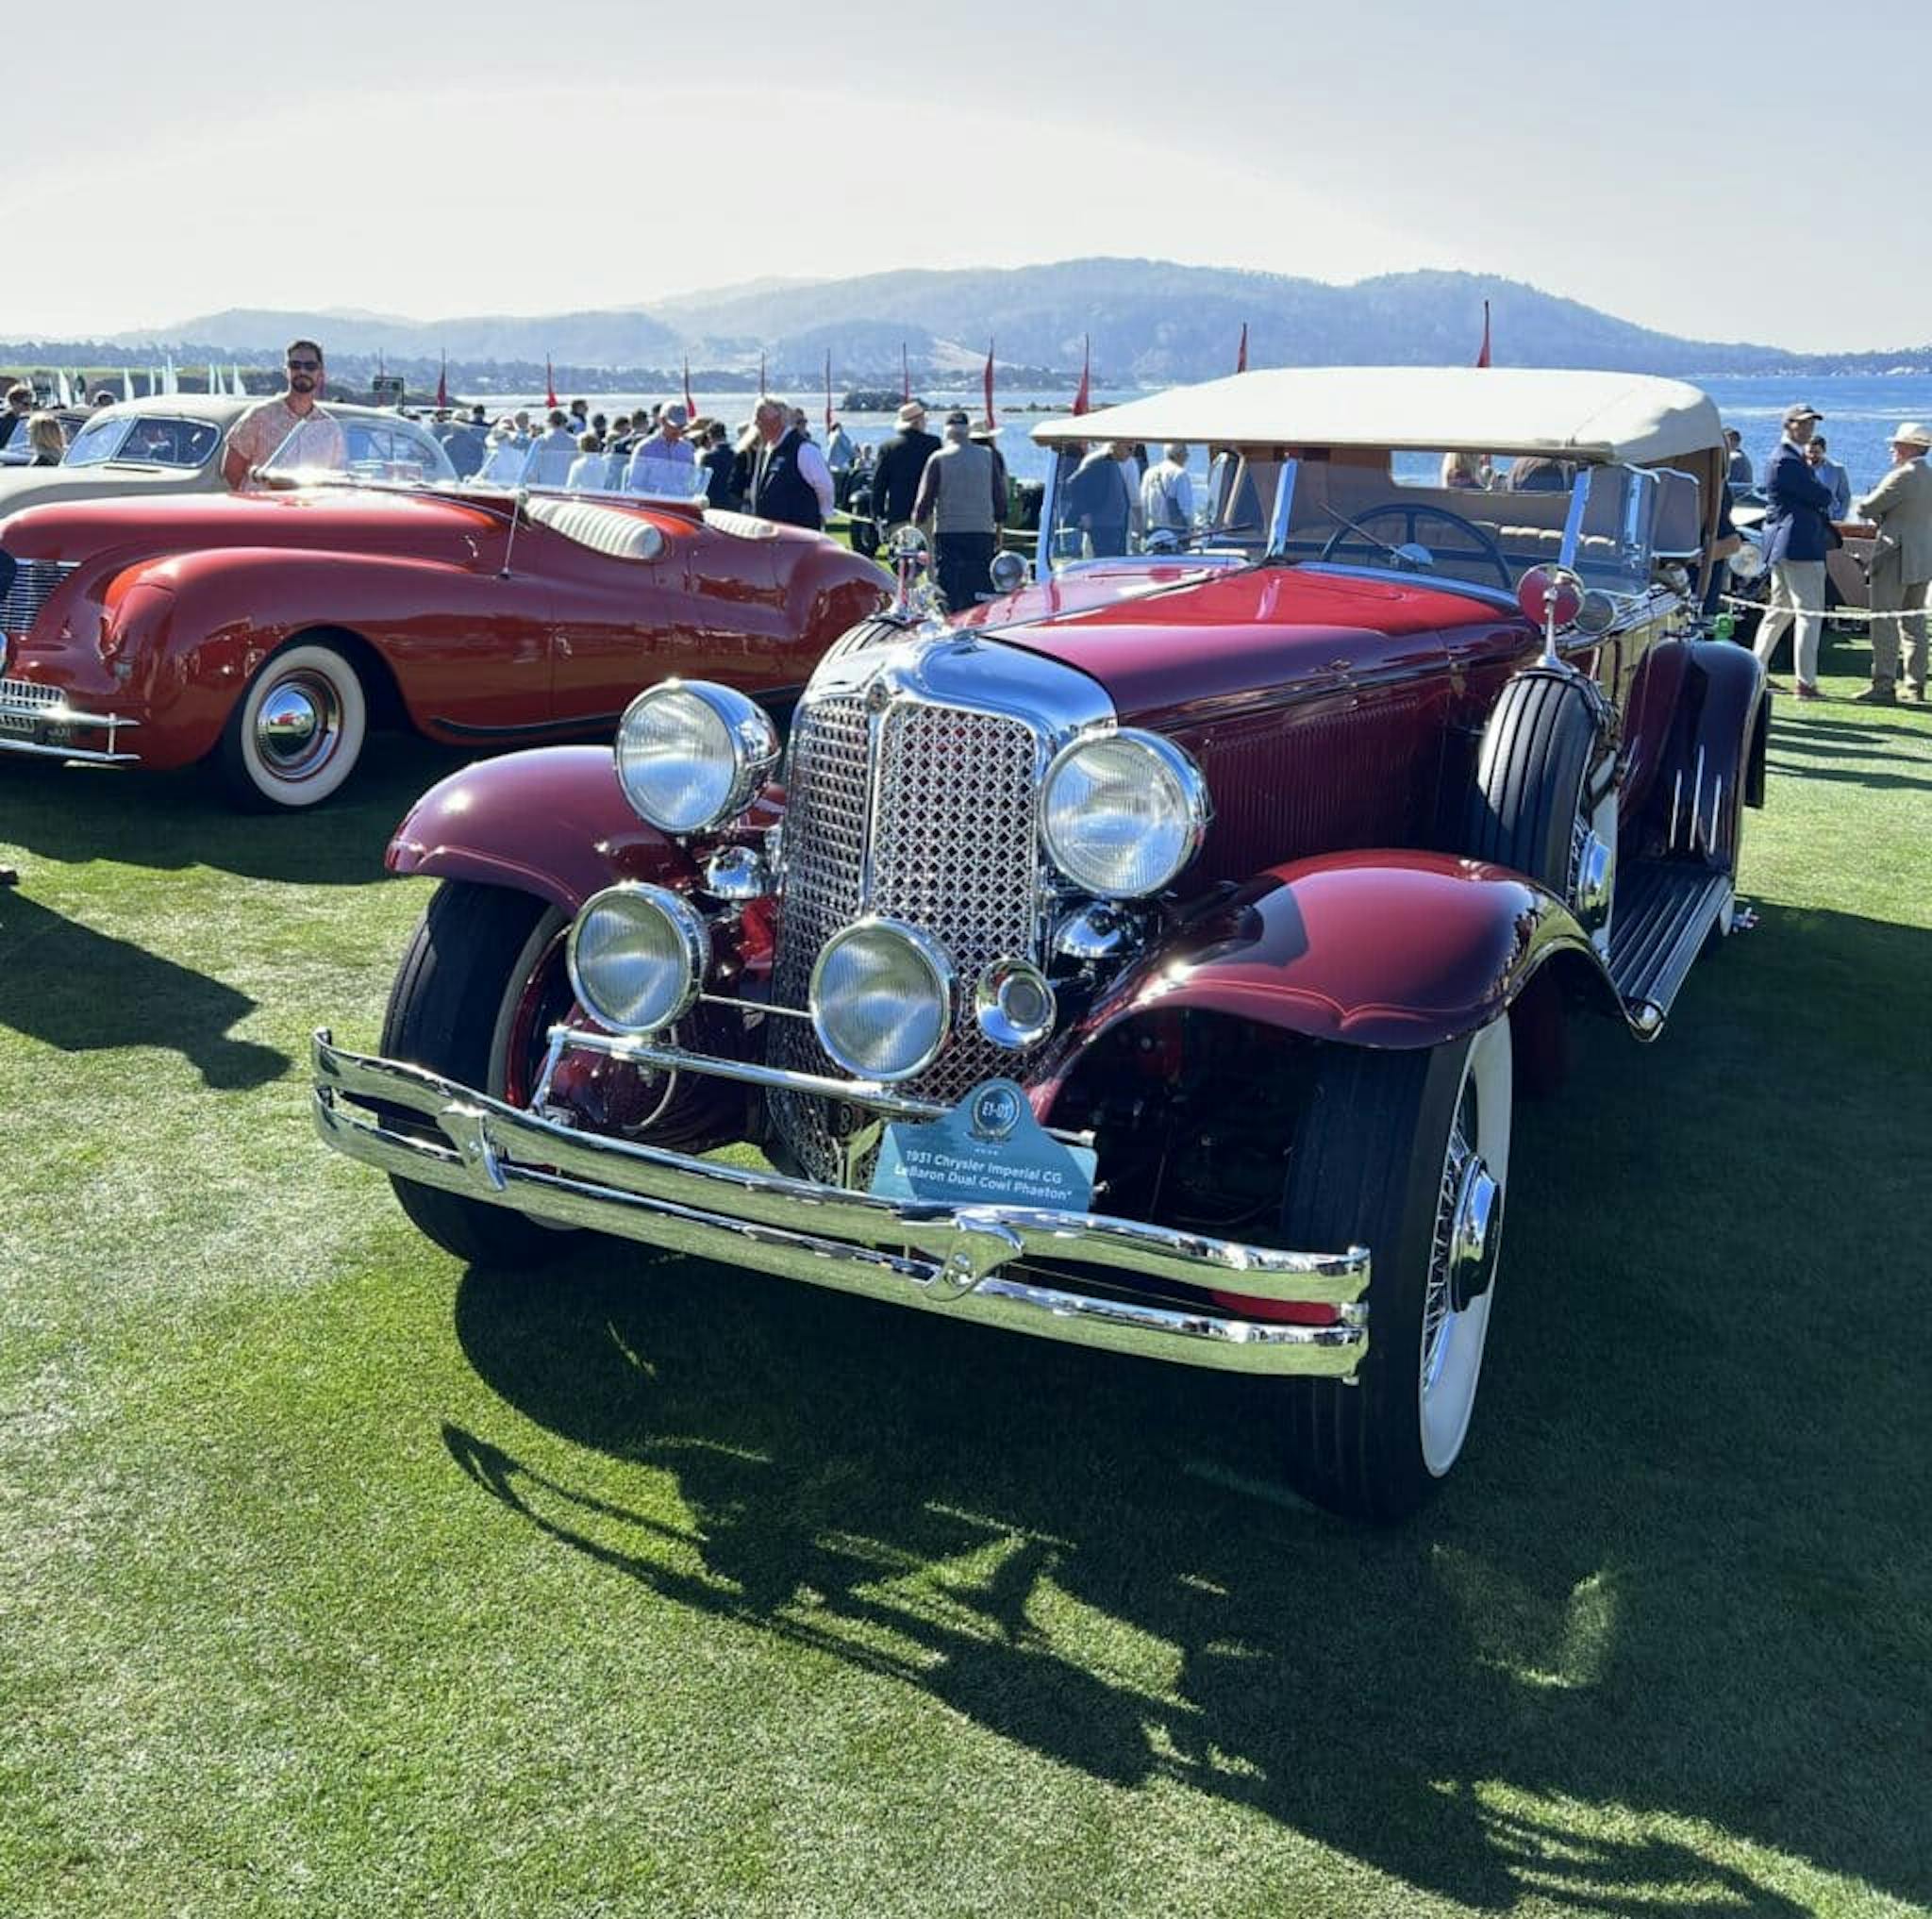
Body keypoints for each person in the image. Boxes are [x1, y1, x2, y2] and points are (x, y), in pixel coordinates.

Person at [1752, 403, 1835, 699]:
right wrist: (1820, 490)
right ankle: (1806, 682)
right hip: (1799, 544)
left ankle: (1756, 670)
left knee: (1779, 612)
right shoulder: (1787, 461)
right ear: (1788, 425)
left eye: (1811, 424)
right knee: (1809, 614)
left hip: (1784, 544)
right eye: (1803, 424)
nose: (1809, 429)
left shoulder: (1787, 459)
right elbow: (1822, 496)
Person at [1851, 421, 1932, 705]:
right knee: (1914, 623)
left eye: (1896, 444)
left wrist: (1880, 517)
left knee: (1883, 621)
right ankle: (1915, 684)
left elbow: (1866, 506)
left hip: (1895, 555)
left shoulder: (1903, 476)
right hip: (1922, 558)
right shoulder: (1928, 475)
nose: (1892, 449)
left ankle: (1884, 683)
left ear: (1909, 447)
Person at [913, 409, 1004, 612]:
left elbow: (923, 503)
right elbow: (1000, 498)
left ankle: (953, 623)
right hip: (982, 531)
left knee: (950, 588)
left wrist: (916, 527)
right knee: (980, 587)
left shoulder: (938, 459)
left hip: (949, 532)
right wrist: (999, 526)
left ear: (947, 433)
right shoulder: (988, 457)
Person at [221, 339, 343, 486]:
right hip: (265, 507)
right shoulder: (259, 416)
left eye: (310, 366)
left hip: (310, 507)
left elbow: (336, 478)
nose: (302, 371)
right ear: (287, 371)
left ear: (321, 373)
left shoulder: (329, 428)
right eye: (295, 365)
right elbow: (231, 470)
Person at [747, 396, 835, 529]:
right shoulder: (768, 450)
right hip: (771, 534)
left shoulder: (803, 449)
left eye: (760, 419)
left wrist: (822, 514)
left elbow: (824, 485)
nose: (756, 424)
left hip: (798, 534)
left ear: (776, 421)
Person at [870, 400, 941, 530]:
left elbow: (879, 484)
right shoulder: (933, 444)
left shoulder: (887, 448)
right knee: (927, 548)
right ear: (919, 421)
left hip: (898, 512)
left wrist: (877, 513)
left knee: (901, 549)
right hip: (926, 512)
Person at [1063, 441, 1141, 557]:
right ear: (1117, 445)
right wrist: (1084, 513)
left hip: (1116, 526)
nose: (1131, 454)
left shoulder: (1114, 462)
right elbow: (1073, 483)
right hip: (1103, 526)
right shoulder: (1098, 461)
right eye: (1129, 449)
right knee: (1105, 565)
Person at [625, 401, 696, 493]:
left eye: (681, 426)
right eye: (674, 425)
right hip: (652, 504)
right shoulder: (645, 448)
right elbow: (634, 486)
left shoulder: (687, 449)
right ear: (662, 420)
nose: (678, 430)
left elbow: (692, 483)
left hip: (680, 504)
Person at [1141, 442, 1194, 539]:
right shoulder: (1180, 474)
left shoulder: (1149, 473)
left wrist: (1142, 530)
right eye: (1186, 453)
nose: (1187, 457)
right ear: (1178, 454)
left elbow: (1143, 505)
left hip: (1154, 530)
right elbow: (1186, 508)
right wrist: (1191, 530)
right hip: (1176, 531)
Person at [1806, 435, 1852, 522]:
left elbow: (1845, 497)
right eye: (1810, 452)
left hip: (1828, 521)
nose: (1812, 455)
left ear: (1824, 451)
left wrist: (1838, 517)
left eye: (1816, 452)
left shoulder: (1837, 470)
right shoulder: (1800, 469)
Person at [699, 422, 737, 509]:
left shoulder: (708, 457)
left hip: (713, 502)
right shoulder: (736, 455)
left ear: (710, 436)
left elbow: (701, 482)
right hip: (732, 503)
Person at [1, 383, 37, 451]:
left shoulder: (32, 421)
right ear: (13, 402)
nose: (29, 408)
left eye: (32, 405)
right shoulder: (2, 422)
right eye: (26, 404)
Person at [1724, 427, 1753, 494]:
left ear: (1735, 442)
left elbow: (1730, 484)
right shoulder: (1741, 455)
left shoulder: (1735, 458)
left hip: (1739, 497)